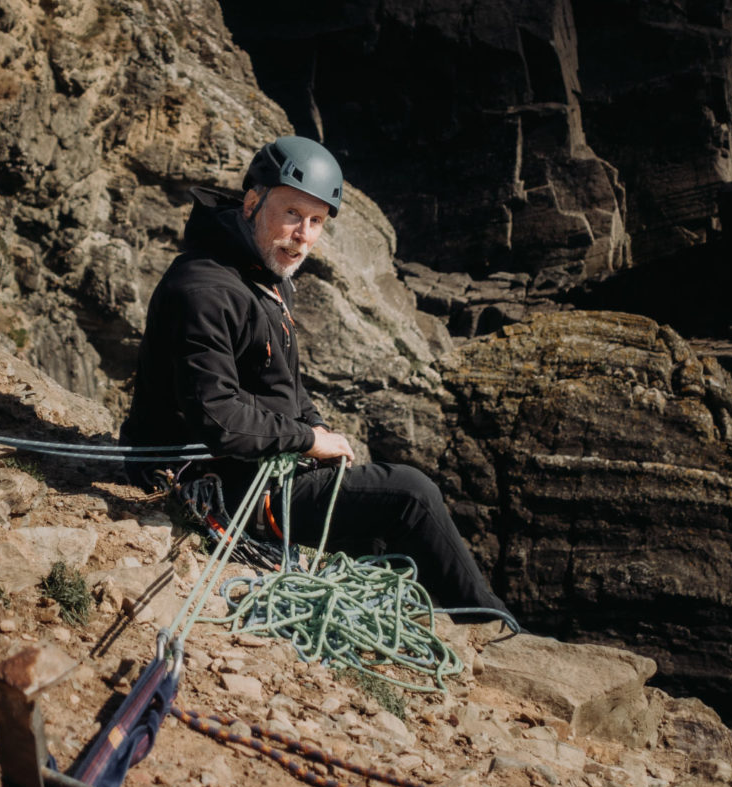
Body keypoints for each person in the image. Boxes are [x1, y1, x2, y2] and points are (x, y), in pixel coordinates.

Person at [122, 135, 508, 613]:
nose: (303, 235)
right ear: (251, 203)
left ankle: (432, 612)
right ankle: (491, 624)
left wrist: (318, 429)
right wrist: (306, 440)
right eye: (291, 214)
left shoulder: (261, 276)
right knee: (412, 495)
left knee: (380, 525)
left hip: (254, 464)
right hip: (217, 480)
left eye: (316, 221)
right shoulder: (205, 288)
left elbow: (285, 385)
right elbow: (218, 416)